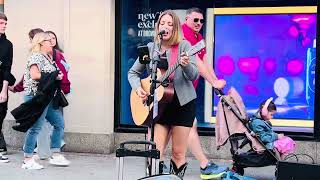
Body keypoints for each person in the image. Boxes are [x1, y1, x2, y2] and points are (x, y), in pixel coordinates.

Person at [128, 10, 198, 178]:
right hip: (159, 105)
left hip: (183, 104)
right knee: (154, 152)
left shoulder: (185, 46)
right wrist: (139, 89)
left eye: (170, 24)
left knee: (178, 153)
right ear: (158, 27)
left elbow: (194, 75)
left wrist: (186, 65)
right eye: (162, 23)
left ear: (175, 29)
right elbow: (133, 73)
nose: (165, 27)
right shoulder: (150, 48)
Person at [182, 7, 227, 179]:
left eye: (201, 21)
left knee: (183, 127)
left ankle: (158, 164)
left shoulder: (199, 37)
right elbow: (197, 63)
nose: (199, 24)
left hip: (187, 89)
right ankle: (204, 165)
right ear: (187, 19)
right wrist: (213, 82)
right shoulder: (184, 33)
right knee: (188, 125)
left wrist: (216, 84)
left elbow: (205, 62)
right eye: (195, 20)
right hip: (178, 88)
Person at [21, 32, 70, 170]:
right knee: (35, 128)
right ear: (41, 43)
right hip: (37, 98)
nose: (51, 43)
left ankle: (55, 153)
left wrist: (58, 76)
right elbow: (35, 75)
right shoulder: (36, 57)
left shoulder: (48, 57)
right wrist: (55, 75)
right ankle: (28, 159)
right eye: (48, 41)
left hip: (47, 98)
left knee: (59, 123)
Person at [0, 12, 13, 163]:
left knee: (1, 113)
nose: (4, 26)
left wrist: (4, 89)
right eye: (1, 23)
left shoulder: (8, 45)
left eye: (5, 24)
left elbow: (7, 68)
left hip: (1, 84)